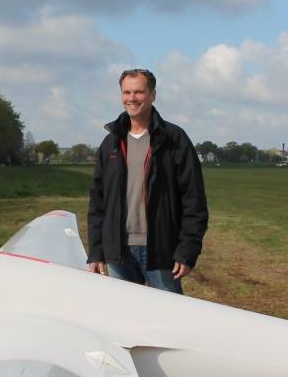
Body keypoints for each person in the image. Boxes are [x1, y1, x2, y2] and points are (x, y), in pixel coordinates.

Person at [87, 68, 208, 293]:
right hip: (118, 251)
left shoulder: (174, 139)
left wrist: (187, 250)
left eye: (139, 92)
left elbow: (194, 200)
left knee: (166, 320)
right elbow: (98, 202)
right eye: (127, 92)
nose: (132, 98)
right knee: (123, 319)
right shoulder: (111, 142)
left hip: (161, 249)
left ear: (152, 95)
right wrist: (96, 251)